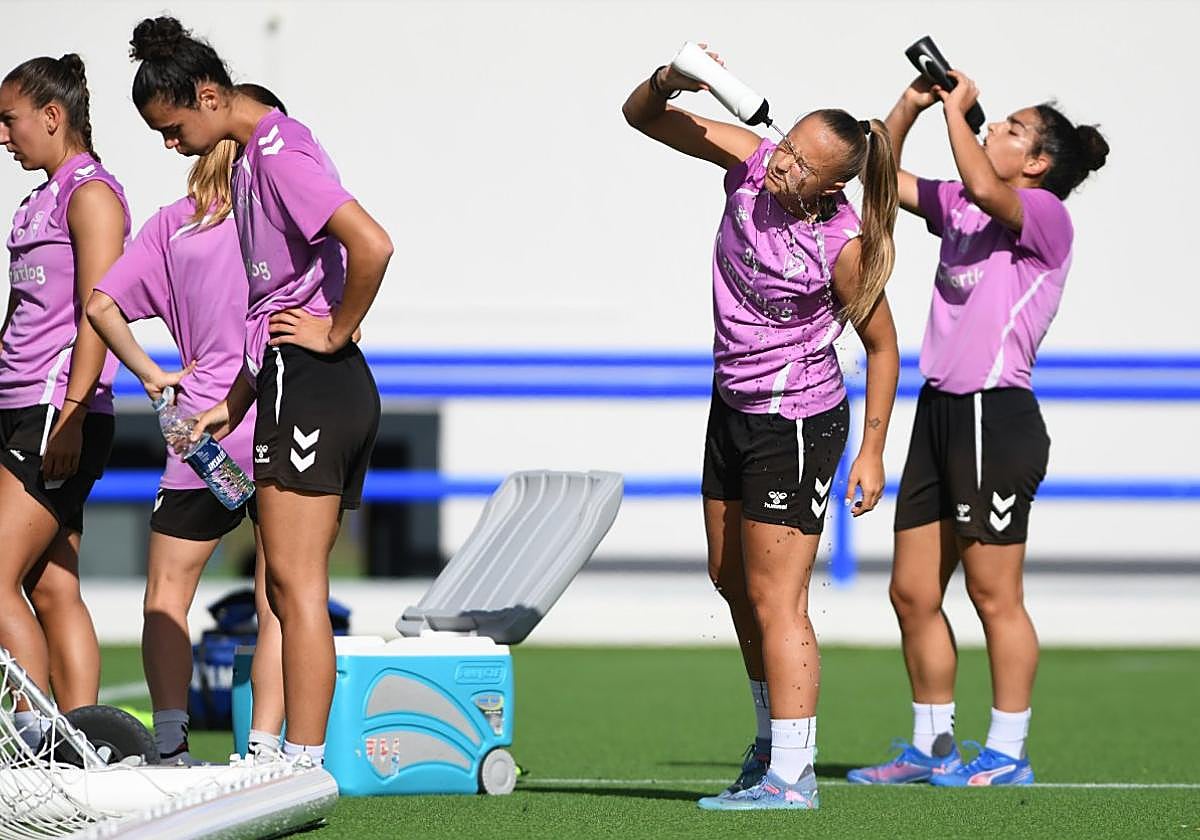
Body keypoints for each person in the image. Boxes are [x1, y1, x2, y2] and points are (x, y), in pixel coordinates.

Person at [623, 47, 900, 810]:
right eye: (785, 149)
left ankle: (794, 775)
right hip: (733, 404)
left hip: (799, 421)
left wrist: (871, 452)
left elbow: (882, 346)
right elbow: (642, 118)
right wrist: (672, 80)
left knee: (780, 599)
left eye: (800, 166)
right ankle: (770, 742)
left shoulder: (840, 246)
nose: (781, 167)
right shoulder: (751, 162)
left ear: (832, 184)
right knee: (729, 579)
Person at [128, 16, 392, 766]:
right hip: (284, 384)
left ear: (209, 96)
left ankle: (302, 762)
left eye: (173, 127)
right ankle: (273, 751)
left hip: (317, 384)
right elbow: (274, 309)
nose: (172, 146)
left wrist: (336, 331)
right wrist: (236, 402)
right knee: (282, 586)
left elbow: (371, 242)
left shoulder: (276, 151)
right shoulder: (247, 164)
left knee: (297, 587)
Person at [847, 71, 1107, 787]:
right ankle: (932, 746)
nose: (995, 129)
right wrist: (911, 106)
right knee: (912, 593)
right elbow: (880, 178)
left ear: (1038, 164)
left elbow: (988, 188)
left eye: (1011, 130)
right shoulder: (961, 204)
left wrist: (958, 114)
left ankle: (1008, 750)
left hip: (997, 417)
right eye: (998, 122)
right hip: (939, 413)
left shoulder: (1044, 213)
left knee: (995, 596)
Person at [86, 84, 291, 765]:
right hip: (279, 411)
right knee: (278, 595)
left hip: (199, 427)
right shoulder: (276, 219)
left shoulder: (173, 225)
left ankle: (170, 740)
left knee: (168, 593)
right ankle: (267, 748)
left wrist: (150, 373)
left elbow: (101, 305)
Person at [0, 54, 128, 743]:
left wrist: (75, 413)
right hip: (18, 406)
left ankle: (34, 738)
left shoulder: (92, 195)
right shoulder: (35, 200)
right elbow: (23, 313)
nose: (1, 135)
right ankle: (84, 743)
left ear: (54, 117)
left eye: (9, 120)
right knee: (50, 586)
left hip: (57, 412)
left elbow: (96, 312)